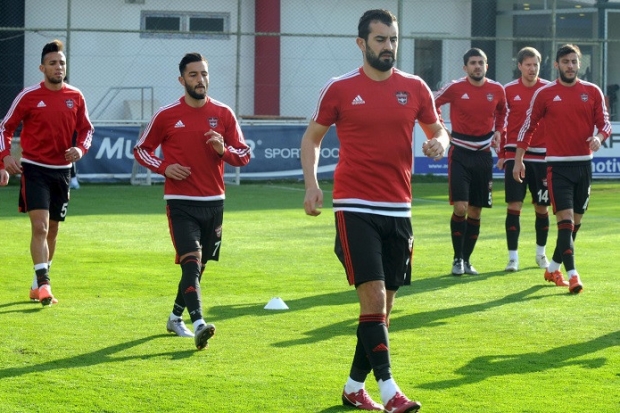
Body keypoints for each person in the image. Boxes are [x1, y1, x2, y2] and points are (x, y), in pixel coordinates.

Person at [301, 9, 449, 412]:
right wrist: (312, 184)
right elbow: (312, 139)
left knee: (383, 310)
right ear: (361, 43)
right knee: (373, 299)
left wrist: (440, 143)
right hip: (355, 206)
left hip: (399, 209)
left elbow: (438, 129)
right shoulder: (339, 89)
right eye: (380, 39)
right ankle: (389, 392)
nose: (388, 46)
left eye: (393, 39)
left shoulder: (415, 87)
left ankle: (353, 387)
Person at [133, 52, 250, 350]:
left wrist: (223, 151)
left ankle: (175, 317)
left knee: (197, 268)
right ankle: (199, 324)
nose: (200, 80)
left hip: (214, 202)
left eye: (204, 74)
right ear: (182, 79)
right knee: (191, 262)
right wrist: (164, 167)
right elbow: (141, 150)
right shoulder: (166, 115)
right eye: (194, 74)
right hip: (181, 202)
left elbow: (244, 155)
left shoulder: (223, 113)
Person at [0, 39, 94, 306]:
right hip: (35, 169)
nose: (58, 67)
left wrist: (80, 149)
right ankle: (44, 285)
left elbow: (87, 130)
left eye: (61, 63)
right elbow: (5, 127)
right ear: (42, 68)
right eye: (52, 63)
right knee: (40, 226)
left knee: (52, 230)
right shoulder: (28, 96)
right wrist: (5, 158)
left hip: (62, 172)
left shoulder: (76, 96)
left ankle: (36, 284)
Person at [516, 44, 611, 293]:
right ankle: (573, 275)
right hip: (557, 168)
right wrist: (518, 159)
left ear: (579, 64)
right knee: (565, 221)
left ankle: (553, 268)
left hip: (584, 166)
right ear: (557, 65)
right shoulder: (545, 94)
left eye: (574, 61)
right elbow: (528, 126)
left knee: (574, 224)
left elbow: (605, 124)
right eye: (566, 62)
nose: (570, 66)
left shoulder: (592, 91)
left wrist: (599, 137)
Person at [434, 48, 506, 276]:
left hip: (483, 155)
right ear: (465, 68)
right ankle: (457, 259)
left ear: (487, 66)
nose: (477, 66)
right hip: (460, 153)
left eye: (481, 62)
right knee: (461, 207)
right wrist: (441, 127)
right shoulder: (455, 88)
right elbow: (432, 103)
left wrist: (499, 130)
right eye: (473, 63)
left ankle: (467, 259)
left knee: (475, 211)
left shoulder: (497, 89)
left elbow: (503, 112)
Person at [497, 47, 551, 273]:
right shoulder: (508, 90)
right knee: (514, 205)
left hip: (542, 156)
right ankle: (513, 258)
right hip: (514, 154)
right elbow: (501, 124)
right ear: (519, 66)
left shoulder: (548, 89)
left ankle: (541, 254)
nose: (532, 68)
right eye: (528, 64)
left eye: (535, 64)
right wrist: (501, 154)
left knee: (542, 207)